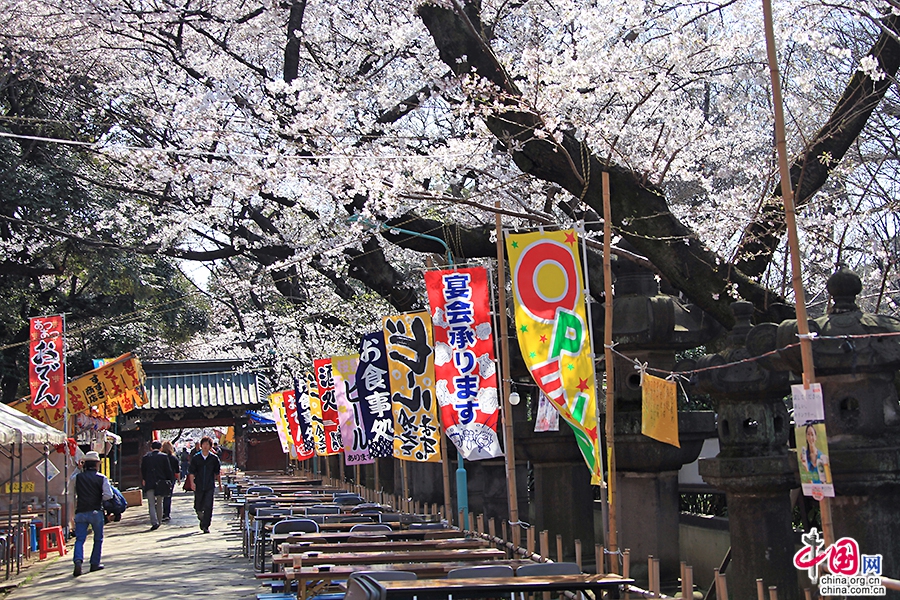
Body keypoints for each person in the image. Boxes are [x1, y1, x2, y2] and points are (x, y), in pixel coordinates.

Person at [73, 451, 113, 577]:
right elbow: (108, 495)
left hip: (81, 511)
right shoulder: (101, 478)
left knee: (79, 539)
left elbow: (70, 493)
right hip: (96, 510)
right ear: (97, 465)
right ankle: (94, 563)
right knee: (98, 538)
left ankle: (78, 561)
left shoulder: (76, 478)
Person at [187, 436, 222, 534]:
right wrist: (192, 483)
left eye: (207, 444)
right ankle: (201, 517)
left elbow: (217, 472)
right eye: (204, 444)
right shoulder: (196, 458)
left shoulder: (214, 458)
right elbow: (191, 471)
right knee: (198, 505)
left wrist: (220, 484)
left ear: (210, 446)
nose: (205, 446)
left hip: (209, 485)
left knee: (208, 505)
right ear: (201, 445)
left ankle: (206, 525)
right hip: (199, 484)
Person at [140, 440, 174, 530]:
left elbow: (143, 469)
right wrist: (169, 480)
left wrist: (144, 479)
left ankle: (154, 522)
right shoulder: (164, 457)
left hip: (149, 482)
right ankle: (159, 521)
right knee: (159, 502)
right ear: (161, 448)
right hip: (161, 482)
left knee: (151, 503)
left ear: (151, 448)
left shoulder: (146, 457)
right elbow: (168, 470)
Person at [161, 440, 180, 522]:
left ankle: (160, 512)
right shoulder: (174, 458)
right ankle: (166, 514)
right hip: (171, 479)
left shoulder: (160, 457)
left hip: (161, 478)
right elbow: (177, 470)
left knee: (160, 497)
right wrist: (178, 479)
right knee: (168, 497)